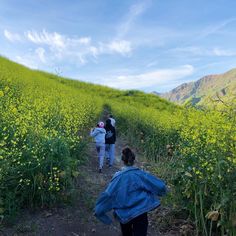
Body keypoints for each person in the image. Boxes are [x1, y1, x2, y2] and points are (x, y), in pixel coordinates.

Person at [94, 147, 167, 236]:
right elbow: (160, 186)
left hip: (124, 216)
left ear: (122, 160)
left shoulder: (117, 178)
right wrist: (162, 192)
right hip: (141, 212)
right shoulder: (140, 174)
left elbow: (108, 195)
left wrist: (100, 213)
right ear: (134, 160)